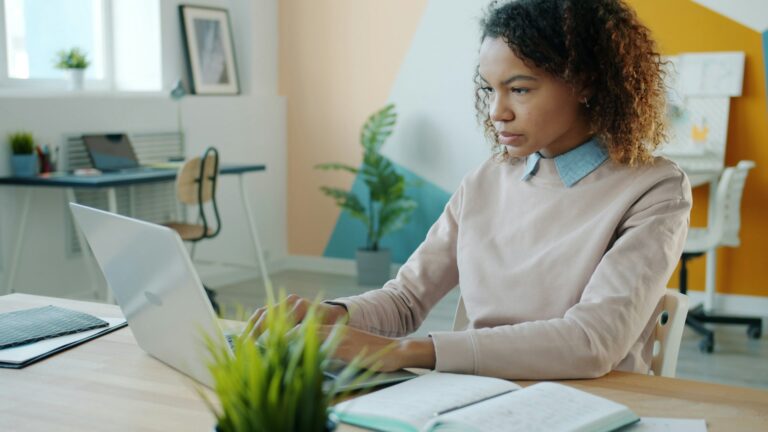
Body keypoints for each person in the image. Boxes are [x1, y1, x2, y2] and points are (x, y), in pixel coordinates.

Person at [249, 0, 692, 379]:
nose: (497, 111)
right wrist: (335, 313)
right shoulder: (485, 181)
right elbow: (405, 299)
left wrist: (409, 352)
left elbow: (591, 341)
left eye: (518, 89)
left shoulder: (655, 190)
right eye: (490, 90)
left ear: (585, 83)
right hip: (473, 397)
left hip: (588, 403)